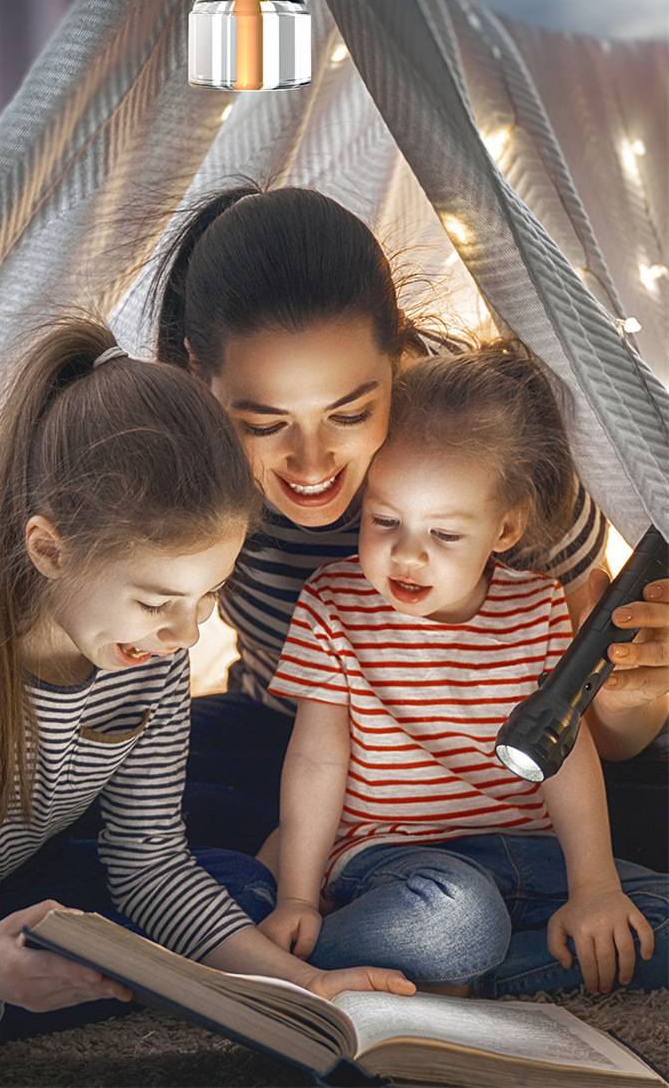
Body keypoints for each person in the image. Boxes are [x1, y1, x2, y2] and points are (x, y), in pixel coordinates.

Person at [0, 319, 414, 1070]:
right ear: (49, 548)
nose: (185, 635)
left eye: (210, 594)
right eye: (156, 603)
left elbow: (149, 863)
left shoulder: (149, 657)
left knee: (232, 899)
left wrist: (308, 989)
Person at [153, 185, 668, 864]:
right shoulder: (178, 460)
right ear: (201, 373)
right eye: (265, 424)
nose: (312, 465)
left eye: (350, 412)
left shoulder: (494, 440)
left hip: (501, 764)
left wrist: (634, 698)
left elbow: (594, 743)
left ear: (397, 348)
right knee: (137, 818)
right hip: (291, 741)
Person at [260, 342, 668, 996]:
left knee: (647, 922)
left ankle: (474, 980)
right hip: (399, 865)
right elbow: (316, 761)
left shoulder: (537, 607)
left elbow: (569, 758)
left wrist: (594, 887)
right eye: (385, 519)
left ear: (504, 529)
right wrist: (299, 900)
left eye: (444, 534)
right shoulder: (332, 605)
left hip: (532, 861)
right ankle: (278, 965)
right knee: (453, 920)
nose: (407, 556)